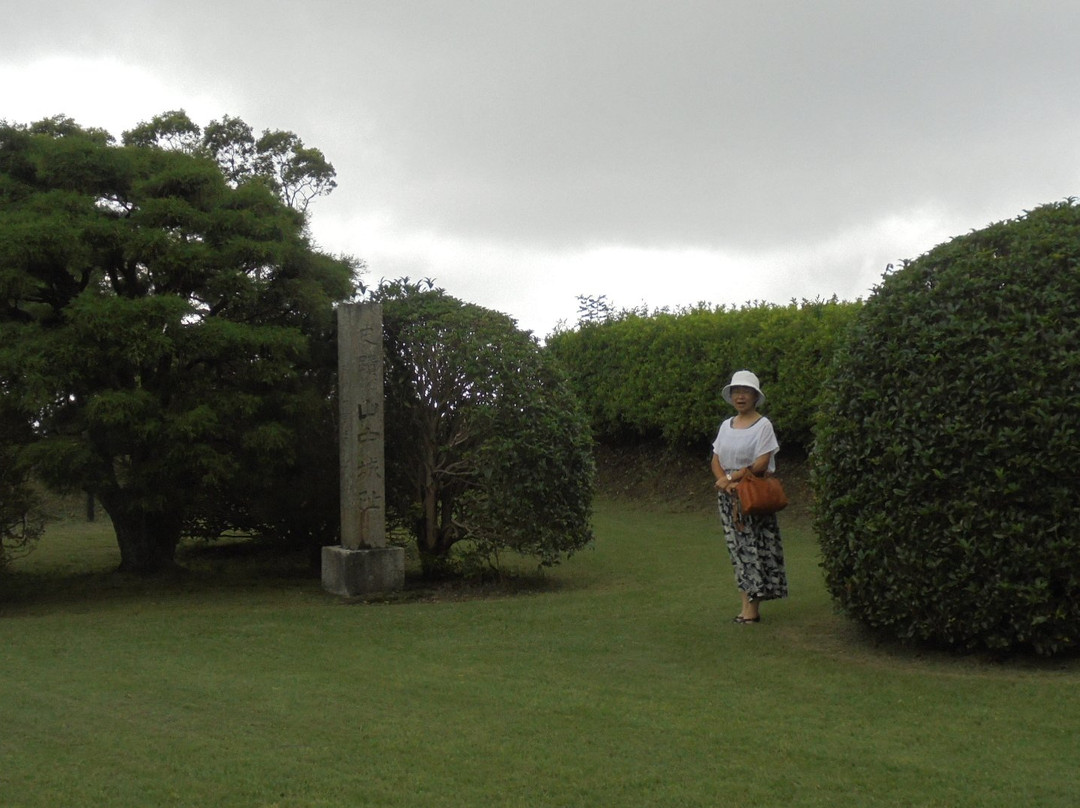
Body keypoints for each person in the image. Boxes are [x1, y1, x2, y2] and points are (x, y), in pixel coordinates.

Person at [710, 370, 788, 624]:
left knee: (752, 549)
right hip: (729, 497)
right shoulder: (726, 425)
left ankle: (751, 610)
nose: (740, 396)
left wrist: (732, 479)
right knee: (737, 551)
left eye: (745, 392)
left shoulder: (763, 425)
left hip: (752, 495)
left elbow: (761, 463)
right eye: (736, 392)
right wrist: (724, 482)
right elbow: (716, 459)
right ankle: (747, 606)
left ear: (755, 396)